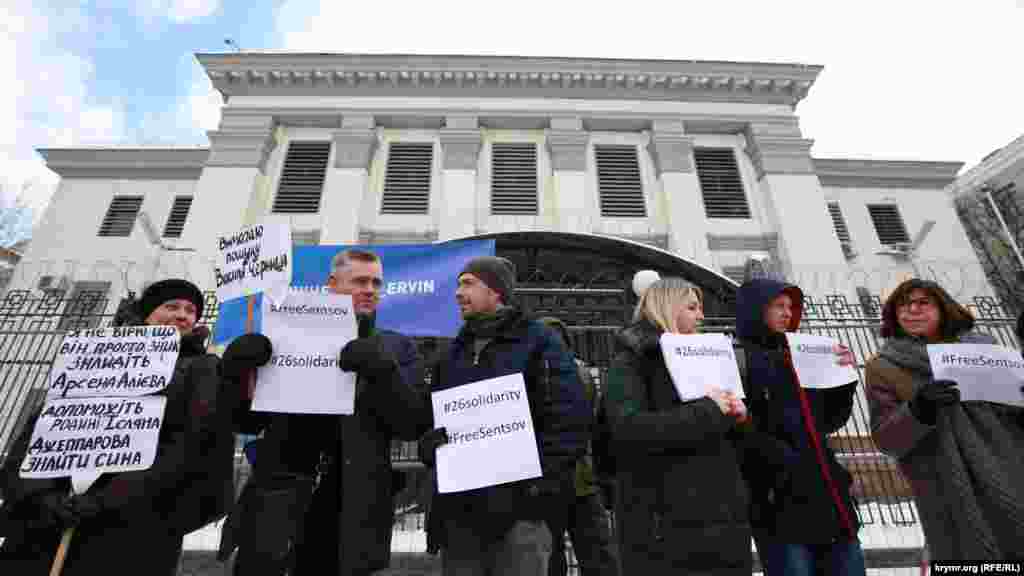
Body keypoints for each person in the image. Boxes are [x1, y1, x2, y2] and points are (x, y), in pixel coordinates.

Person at [0, 278, 250, 576]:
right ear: (147, 313)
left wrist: (106, 500)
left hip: (135, 522)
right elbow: (45, 427)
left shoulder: (202, 368)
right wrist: (41, 497)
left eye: (191, 311)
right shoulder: (95, 355)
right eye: (171, 306)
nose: (183, 315)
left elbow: (194, 442)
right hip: (48, 521)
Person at [223, 249, 424, 576]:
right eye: (360, 281)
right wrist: (236, 370)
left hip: (352, 506)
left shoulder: (397, 348)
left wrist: (383, 370)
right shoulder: (285, 338)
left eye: (376, 283)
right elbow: (247, 421)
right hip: (278, 498)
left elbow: (411, 425)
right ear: (332, 284)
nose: (370, 290)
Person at [417, 256, 591, 576]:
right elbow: (433, 421)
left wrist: (534, 488)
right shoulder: (453, 352)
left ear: (495, 291)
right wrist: (432, 446)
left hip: (521, 518)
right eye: (458, 284)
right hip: (460, 517)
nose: (458, 292)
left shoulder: (540, 342)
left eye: (468, 283)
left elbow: (569, 421)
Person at [865, 279, 1024, 561]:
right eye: (904, 304)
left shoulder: (985, 351)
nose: (912, 310)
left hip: (1009, 473)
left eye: (923, 303)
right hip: (945, 488)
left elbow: (1013, 417)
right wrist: (918, 409)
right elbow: (886, 440)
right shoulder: (883, 366)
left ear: (944, 308)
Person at [601, 277, 750, 574]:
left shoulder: (709, 358)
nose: (701, 316)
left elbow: (727, 437)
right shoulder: (632, 361)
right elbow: (629, 428)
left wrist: (740, 417)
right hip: (663, 526)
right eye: (692, 307)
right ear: (667, 308)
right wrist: (710, 410)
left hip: (721, 521)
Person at [733, 277, 865, 576]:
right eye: (778, 306)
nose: (787, 313)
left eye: (791, 307)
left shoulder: (802, 353)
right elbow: (737, 427)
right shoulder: (737, 358)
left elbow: (828, 421)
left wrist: (843, 382)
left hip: (828, 496)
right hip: (777, 500)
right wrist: (783, 458)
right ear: (756, 309)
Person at [536, 316, 619, 576]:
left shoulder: (568, 375)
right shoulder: (578, 373)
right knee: (595, 554)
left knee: (559, 556)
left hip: (561, 480)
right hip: (577, 479)